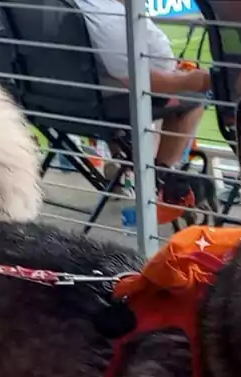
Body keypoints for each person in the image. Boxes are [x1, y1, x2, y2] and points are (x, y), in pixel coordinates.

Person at [72, 0, 210, 223]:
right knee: (193, 100)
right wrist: (191, 81)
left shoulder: (77, 8)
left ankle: (125, 164)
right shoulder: (106, 16)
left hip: (64, 102)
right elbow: (139, 79)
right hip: (105, 104)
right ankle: (162, 180)